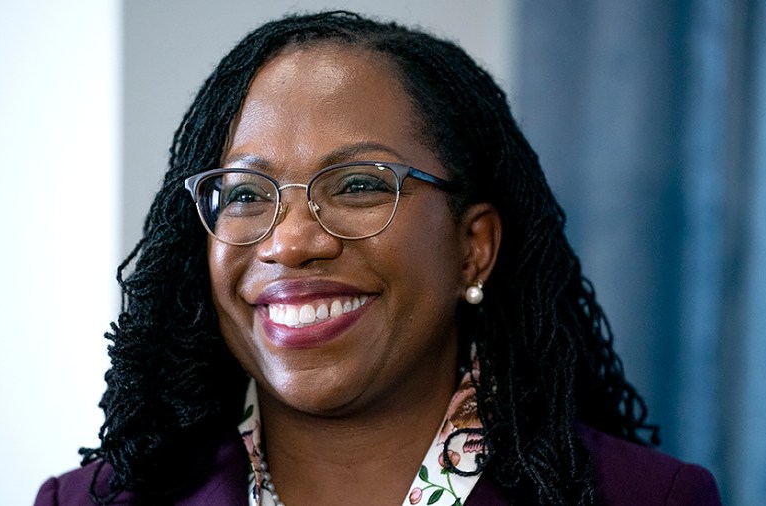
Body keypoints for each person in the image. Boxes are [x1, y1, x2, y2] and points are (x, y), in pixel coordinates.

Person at [35, 10, 721, 506]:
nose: (291, 241)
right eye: (245, 193)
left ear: (472, 249)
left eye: (359, 185)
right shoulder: (87, 504)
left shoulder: (645, 498)